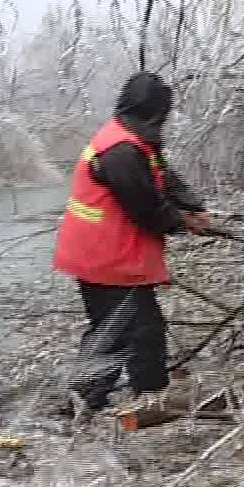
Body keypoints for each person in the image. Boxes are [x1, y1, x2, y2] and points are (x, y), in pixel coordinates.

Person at [52, 71, 211, 424]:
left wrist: (192, 204)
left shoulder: (134, 138)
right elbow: (145, 207)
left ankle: (94, 401)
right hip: (105, 257)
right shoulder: (122, 150)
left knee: (119, 328)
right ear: (157, 111)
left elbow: (162, 176)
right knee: (134, 330)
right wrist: (183, 222)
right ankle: (144, 399)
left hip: (107, 253)